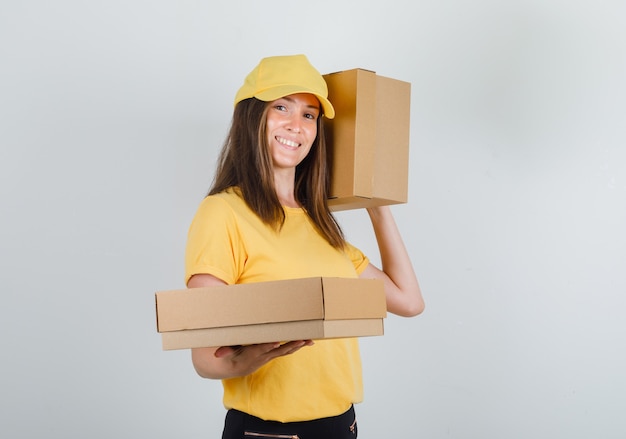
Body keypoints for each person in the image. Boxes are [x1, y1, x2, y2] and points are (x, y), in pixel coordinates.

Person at [185, 54, 424, 439]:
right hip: (269, 433)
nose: (297, 126)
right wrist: (245, 361)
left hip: (341, 425)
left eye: (310, 115)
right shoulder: (223, 212)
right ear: (252, 117)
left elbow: (409, 302)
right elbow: (204, 359)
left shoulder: (320, 222)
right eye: (282, 107)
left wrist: (377, 209)